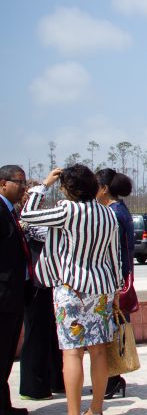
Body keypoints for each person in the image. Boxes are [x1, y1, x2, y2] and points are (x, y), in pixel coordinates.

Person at [21, 165, 121, 415]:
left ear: (68, 189)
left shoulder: (67, 210)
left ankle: (74, 412)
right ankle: (96, 409)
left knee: (72, 353)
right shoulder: (108, 214)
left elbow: (28, 215)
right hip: (101, 289)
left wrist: (44, 185)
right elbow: (114, 256)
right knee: (99, 350)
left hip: (71, 289)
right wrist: (116, 290)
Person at [17, 181, 65, 401]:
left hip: (46, 283)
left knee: (52, 335)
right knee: (36, 335)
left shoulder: (35, 217)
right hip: (36, 285)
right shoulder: (27, 219)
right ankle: (33, 387)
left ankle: (56, 381)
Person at [95, 169, 135, 399]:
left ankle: (112, 380)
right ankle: (113, 379)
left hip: (115, 281)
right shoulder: (120, 210)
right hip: (121, 278)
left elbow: (114, 252)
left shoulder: (113, 214)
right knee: (114, 329)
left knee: (110, 332)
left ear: (104, 189)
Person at [0, 165, 31, 415]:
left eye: (24, 182)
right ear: (3, 183)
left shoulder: (11, 211)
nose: (23, 187)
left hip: (14, 296)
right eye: (18, 182)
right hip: (3, 296)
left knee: (6, 355)